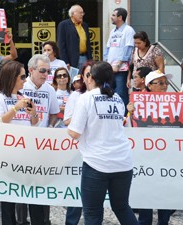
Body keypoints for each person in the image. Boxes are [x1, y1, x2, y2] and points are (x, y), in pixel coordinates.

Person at [67, 61, 138, 225]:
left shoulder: (86, 98)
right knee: (122, 207)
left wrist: (69, 129)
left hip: (96, 164)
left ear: (90, 78)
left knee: (92, 213)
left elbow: (75, 133)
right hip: (123, 163)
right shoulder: (118, 98)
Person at [0, 60, 42, 225]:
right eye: (22, 76)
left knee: (34, 196)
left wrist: (34, 114)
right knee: (9, 199)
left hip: (27, 154)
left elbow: (35, 124)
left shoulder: (23, 97)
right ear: (12, 77)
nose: (25, 80)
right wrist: (15, 108)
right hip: (7, 155)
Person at [127, 70, 174, 224]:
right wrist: (129, 113)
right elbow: (127, 128)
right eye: (159, 83)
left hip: (167, 156)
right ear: (149, 86)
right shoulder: (136, 103)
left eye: (165, 83)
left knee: (166, 195)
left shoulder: (175, 103)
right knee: (146, 193)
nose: (164, 86)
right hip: (145, 156)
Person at [21, 54, 60, 225]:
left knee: (42, 184)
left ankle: (43, 220)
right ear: (31, 70)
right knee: (22, 185)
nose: (46, 74)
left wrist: (51, 127)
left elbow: (54, 113)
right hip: (21, 143)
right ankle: (21, 220)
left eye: (48, 71)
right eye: (42, 70)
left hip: (42, 143)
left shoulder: (50, 89)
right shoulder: (21, 86)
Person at [63, 61, 92, 225]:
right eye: (87, 74)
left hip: (95, 150)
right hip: (77, 148)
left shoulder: (107, 95)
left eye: (92, 74)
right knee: (76, 187)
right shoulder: (76, 95)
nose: (90, 78)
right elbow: (67, 121)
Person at [104, 7, 135, 112]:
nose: (111, 17)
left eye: (113, 15)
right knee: (109, 93)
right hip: (110, 68)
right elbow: (108, 48)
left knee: (121, 93)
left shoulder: (128, 30)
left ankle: (123, 117)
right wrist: (106, 63)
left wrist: (119, 64)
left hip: (121, 69)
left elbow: (129, 48)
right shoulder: (113, 31)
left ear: (120, 17)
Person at [57, 4, 93, 72]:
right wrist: (65, 61)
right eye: (80, 12)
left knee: (85, 80)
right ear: (73, 14)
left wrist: (90, 60)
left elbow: (88, 43)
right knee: (74, 80)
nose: (82, 14)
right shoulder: (63, 25)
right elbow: (61, 45)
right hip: (72, 60)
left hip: (85, 58)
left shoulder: (84, 25)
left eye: (83, 13)